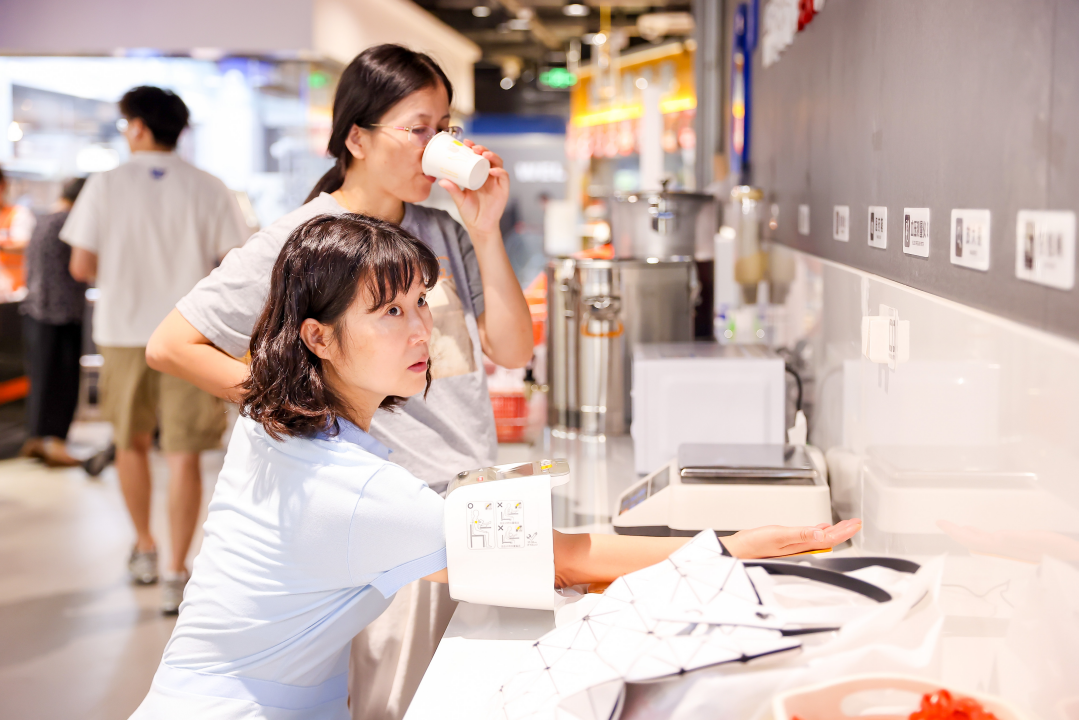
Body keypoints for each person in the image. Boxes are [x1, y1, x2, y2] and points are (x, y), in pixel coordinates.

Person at [131, 213, 861, 719]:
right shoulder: (350, 489)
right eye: (390, 313)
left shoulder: (273, 425)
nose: (422, 330)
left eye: (421, 303)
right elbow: (562, 558)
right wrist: (732, 547)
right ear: (318, 337)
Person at [145, 45, 533, 719]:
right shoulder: (305, 239)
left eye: (445, 127)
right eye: (418, 128)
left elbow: (511, 347)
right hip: (386, 519)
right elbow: (171, 345)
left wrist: (486, 230)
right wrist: (302, 408)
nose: (436, 145)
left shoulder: (444, 229)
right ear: (356, 136)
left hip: (465, 496)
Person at [62, 86, 248, 614]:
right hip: (191, 333)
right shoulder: (210, 186)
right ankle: (175, 571)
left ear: (139, 126)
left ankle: (144, 546)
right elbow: (234, 265)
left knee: (132, 443)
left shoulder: (105, 184)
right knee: (185, 453)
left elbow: (80, 266)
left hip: (124, 332)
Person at [19, 176, 87, 467]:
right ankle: (54, 443)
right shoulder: (69, 221)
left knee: (42, 378)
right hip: (61, 313)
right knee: (62, 380)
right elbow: (82, 268)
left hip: (37, 310)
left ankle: (38, 438)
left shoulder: (44, 218)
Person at [0, 165, 37, 297]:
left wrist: (2, 246)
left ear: (3, 185)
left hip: (13, 293)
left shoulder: (19, 214)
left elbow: (26, 244)